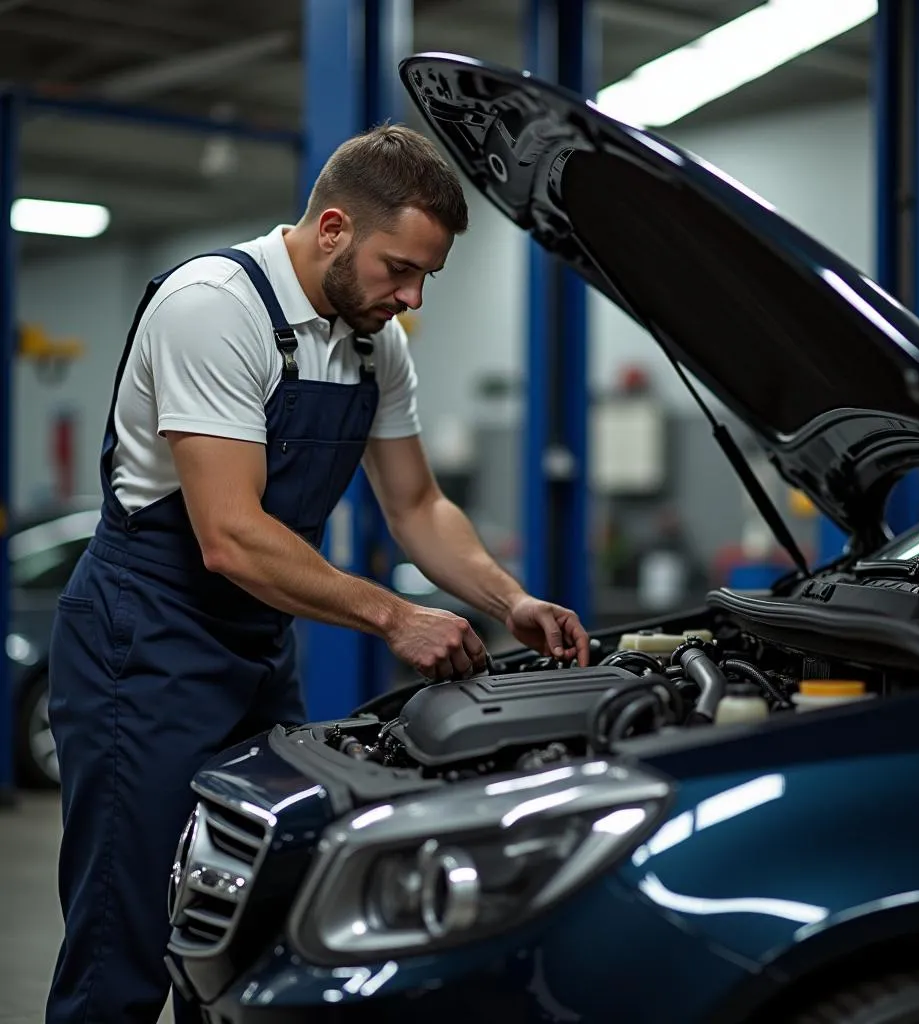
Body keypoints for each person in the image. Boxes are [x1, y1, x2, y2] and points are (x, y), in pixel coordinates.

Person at [46, 123, 590, 1024]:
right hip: (141, 640)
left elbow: (416, 506)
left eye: (427, 276)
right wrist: (393, 619)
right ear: (333, 227)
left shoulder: (377, 343)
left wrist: (510, 599)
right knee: (126, 936)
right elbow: (229, 535)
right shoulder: (214, 307)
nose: (411, 295)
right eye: (398, 269)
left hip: (256, 644)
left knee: (251, 924)